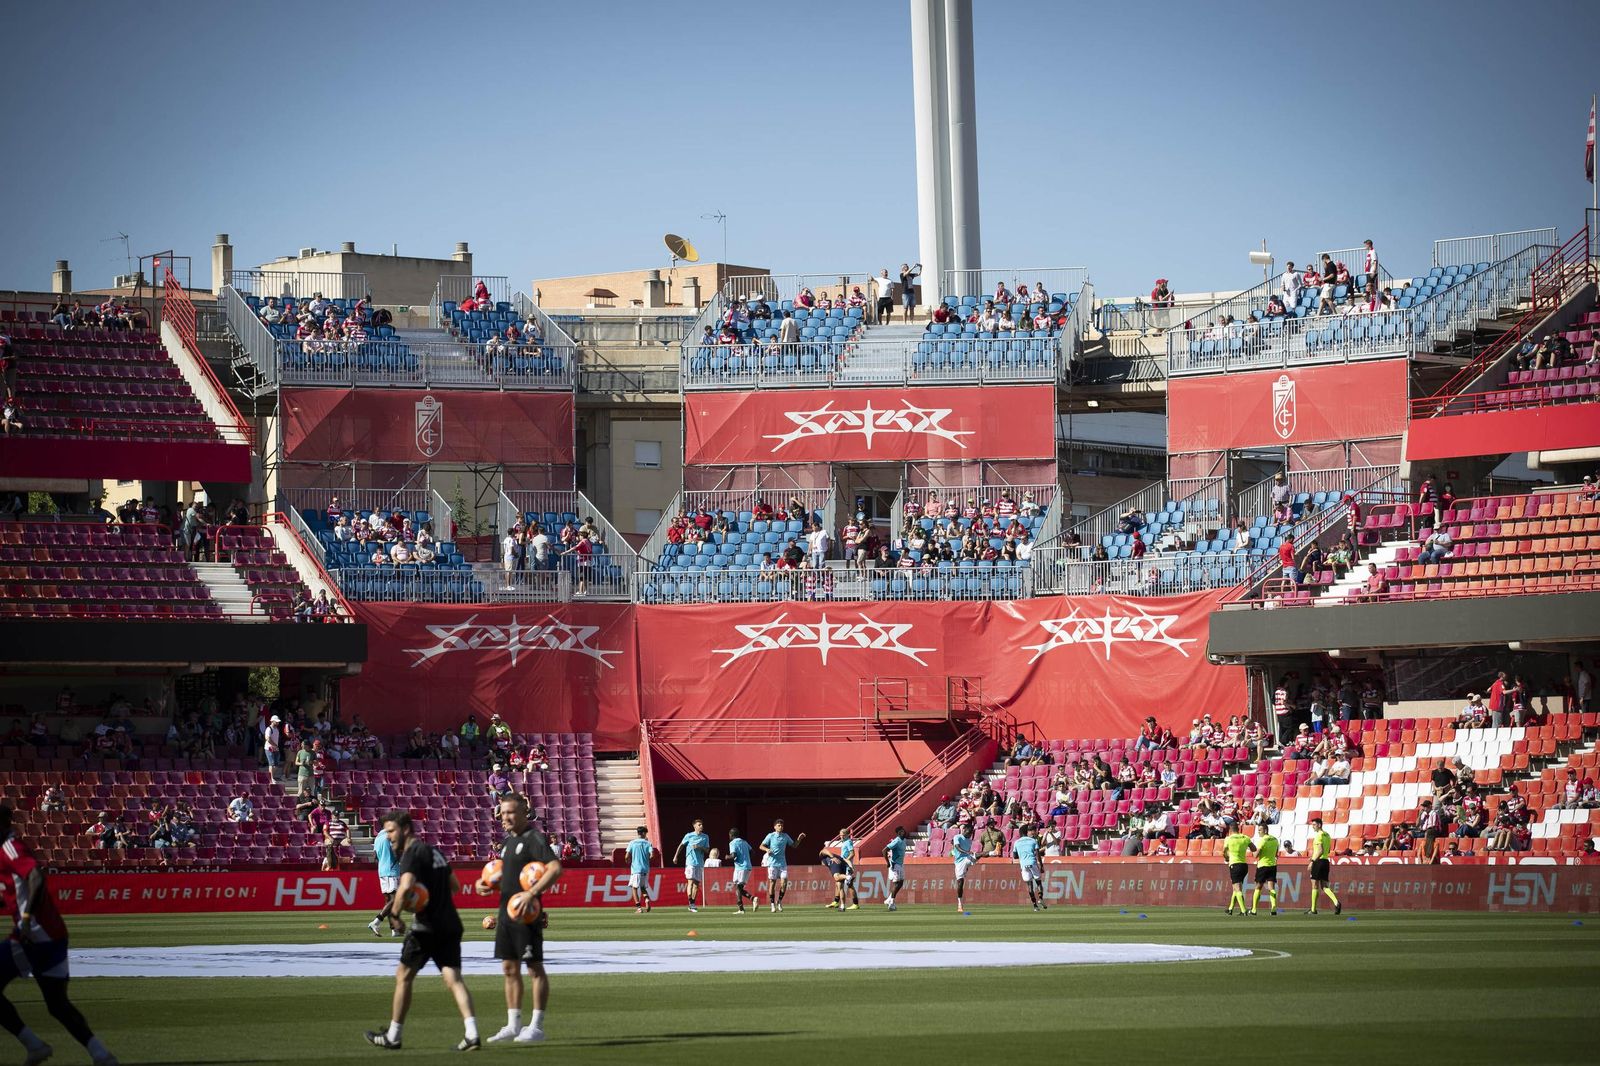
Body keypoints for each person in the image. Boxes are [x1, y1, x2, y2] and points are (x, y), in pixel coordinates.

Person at [0, 807, 119, 1066]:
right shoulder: (8, 849)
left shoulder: (9, 848)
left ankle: (34, 1044)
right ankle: (102, 1055)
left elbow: (35, 877)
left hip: (33, 934)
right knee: (57, 1005)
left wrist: (28, 918)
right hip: (54, 935)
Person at [364, 809, 480, 1051]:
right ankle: (472, 1034)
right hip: (450, 923)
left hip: (426, 926)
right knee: (453, 979)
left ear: (406, 829)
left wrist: (394, 915)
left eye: (391, 831)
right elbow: (455, 886)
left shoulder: (410, 853)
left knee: (403, 976)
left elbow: (404, 888)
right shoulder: (435, 851)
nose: (388, 837)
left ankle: (393, 1035)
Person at [477, 794, 562, 1046]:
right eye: (503, 813)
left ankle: (536, 1026)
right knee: (508, 968)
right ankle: (513, 1025)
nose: (506, 818)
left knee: (533, 967)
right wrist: (489, 886)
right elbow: (511, 878)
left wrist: (532, 893)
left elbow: (555, 868)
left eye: (511, 813)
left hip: (527, 914)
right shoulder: (507, 842)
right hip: (506, 913)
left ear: (525, 813)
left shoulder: (534, 838)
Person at [368, 819, 406, 938]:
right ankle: (376, 922)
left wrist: (383, 862)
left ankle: (394, 930)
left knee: (389, 901)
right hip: (392, 870)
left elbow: (374, 856)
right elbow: (395, 853)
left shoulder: (378, 837)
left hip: (382, 871)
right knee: (395, 900)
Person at [760, 819, 805, 913]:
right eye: (778, 825)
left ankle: (779, 901)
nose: (780, 827)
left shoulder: (785, 836)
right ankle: (772, 904)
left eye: (781, 825)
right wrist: (767, 849)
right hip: (772, 863)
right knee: (772, 883)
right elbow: (761, 846)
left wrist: (799, 839)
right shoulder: (770, 836)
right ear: (775, 827)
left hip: (782, 864)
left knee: (784, 883)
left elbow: (794, 845)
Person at [671, 819, 711, 913]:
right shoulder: (689, 835)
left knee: (696, 885)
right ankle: (691, 902)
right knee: (690, 882)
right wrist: (676, 856)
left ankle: (692, 904)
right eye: (699, 825)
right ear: (695, 826)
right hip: (690, 862)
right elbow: (681, 845)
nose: (701, 826)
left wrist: (700, 847)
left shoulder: (705, 837)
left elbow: (707, 850)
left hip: (699, 863)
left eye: (702, 824)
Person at [1012, 824, 1046, 912]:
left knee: (1029, 886)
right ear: (1026, 832)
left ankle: (1035, 906)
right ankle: (1041, 898)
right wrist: (1041, 866)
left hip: (1023, 865)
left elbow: (1015, 856)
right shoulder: (1033, 841)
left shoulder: (1016, 842)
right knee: (1038, 882)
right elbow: (1038, 854)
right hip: (1033, 863)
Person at [1223, 825, 1252, 915]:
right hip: (1244, 866)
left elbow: (1224, 851)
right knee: (1235, 888)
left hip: (1234, 865)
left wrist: (1227, 858)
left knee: (1237, 889)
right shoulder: (1245, 837)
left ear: (1230, 830)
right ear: (1238, 829)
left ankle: (1243, 910)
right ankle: (1230, 908)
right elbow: (1253, 848)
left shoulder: (1228, 839)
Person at [1249, 828, 1280, 916]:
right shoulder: (1275, 839)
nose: (1258, 832)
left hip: (1262, 866)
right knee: (1271, 887)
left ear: (1265, 831)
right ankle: (1273, 908)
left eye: (1260, 830)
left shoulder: (1262, 841)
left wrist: (1251, 849)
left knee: (1258, 887)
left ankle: (1254, 909)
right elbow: (1276, 853)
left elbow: (1256, 855)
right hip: (1272, 866)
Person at [624, 826, 654, 914]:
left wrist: (627, 861)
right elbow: (652, 855)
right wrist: (647, 858)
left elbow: (626, 856)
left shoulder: (632, 843)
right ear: (644, 833)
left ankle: (639, 908)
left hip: (636, 869)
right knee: (643, 887)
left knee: (634, 888)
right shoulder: (648, 843)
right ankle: (647, 899)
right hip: (645, 869)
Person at [950, 820, 977, 914]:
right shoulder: (957, 837)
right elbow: (957, 847)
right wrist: (966, 852)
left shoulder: (969, 841)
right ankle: (960, 904)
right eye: (969, 833)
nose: (970, 835)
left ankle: (993, 853)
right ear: (964, 830)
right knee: (960, 883)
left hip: (966, 859)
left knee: (978, 855)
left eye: (971, 833)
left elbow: (968, 852)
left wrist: (967, 865)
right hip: (959, 863)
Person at [727, 828, 755, 914]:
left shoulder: (732, 843)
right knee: (739, 887)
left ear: (731, 835)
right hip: (747, 866)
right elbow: (752, 851)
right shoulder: (744, 842)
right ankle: (752, 899)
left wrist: (728, 857)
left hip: (740, 867)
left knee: (738, 887)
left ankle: (741, 908)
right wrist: (745, 856)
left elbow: (733, 855)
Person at [881, 825, 909, 912]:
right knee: (897, 883)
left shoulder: (904, 840)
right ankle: (891, 903)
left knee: (900, 882)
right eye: (902, 831)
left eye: (904, 830)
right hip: (895, 864)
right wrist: (887, 862)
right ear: (899, 833)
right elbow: (884, 850)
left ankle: (889, 899)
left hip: (900, 864)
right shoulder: (896, 841)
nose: (904, 832)